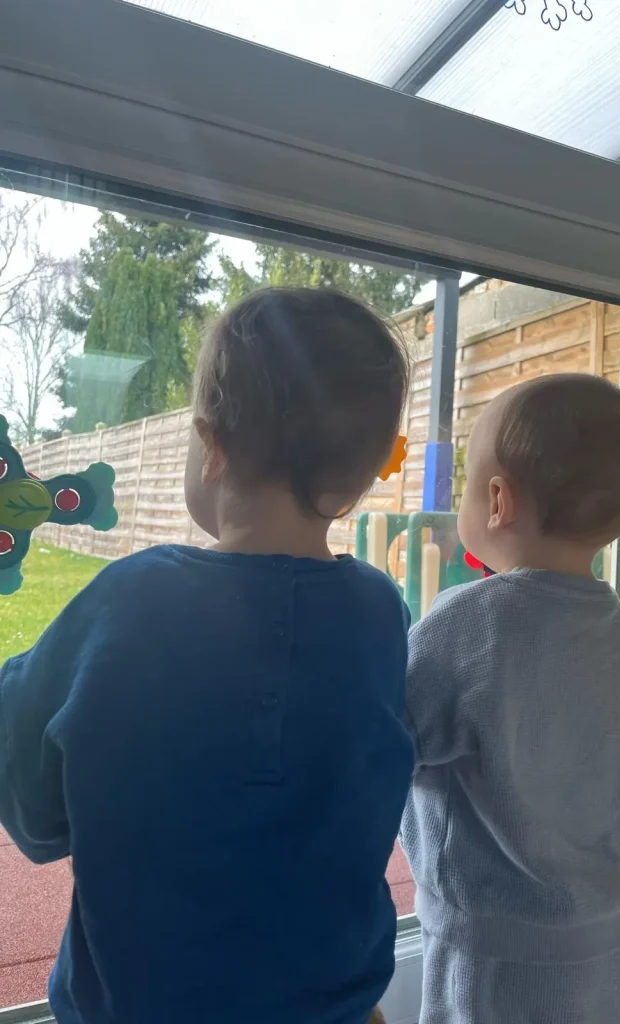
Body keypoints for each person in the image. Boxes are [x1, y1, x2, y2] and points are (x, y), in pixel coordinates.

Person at [0, 288, 414, 1024]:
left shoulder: (130, 602)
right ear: (357, 479)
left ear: (212, 444)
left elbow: (34, 816)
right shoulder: (380, 614)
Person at [401, 373, 620, 1024]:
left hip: (493, 963)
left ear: (497, 501)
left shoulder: (468, 623)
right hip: (615, 953)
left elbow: (386, 740)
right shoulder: (619, 629)